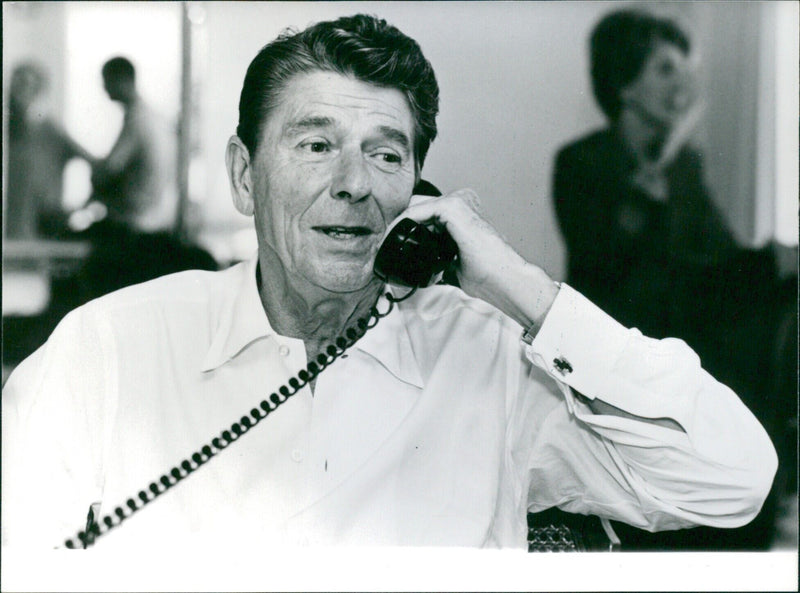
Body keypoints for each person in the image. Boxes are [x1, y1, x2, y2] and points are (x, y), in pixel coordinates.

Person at [2, 14, 776, 551]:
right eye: (315, 144)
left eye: (386, 154)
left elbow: (733, 478)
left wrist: (521, 286)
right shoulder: (110, 347)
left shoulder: (494, 363)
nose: (353, 184)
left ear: (420, 185)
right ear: (244, 175)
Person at [552, 9, 738, 342]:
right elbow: (598, 267)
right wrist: (641, 199)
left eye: (685, 70)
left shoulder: (685, 165)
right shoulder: (580, 162)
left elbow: (723, 256)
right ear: (625, 85)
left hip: (685, 351)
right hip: (607, 348)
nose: (685, 83)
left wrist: (777, 255)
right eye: (666, 69)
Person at [86, 56, 177, 234]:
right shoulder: (154, 118)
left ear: (122, 80)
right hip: (156, 218)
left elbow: (109, 171)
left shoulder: (137, 121)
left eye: (106, 81)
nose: (104, 89)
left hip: (134, 222)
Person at [5, 61, 95, 239]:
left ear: (39, 91)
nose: (18, 94)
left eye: (26, 86)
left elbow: (99, 167)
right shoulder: (8, 132)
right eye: (15, 86)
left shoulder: (51, 130)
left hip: (42, 230)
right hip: (10, 231)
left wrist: (80, 209)